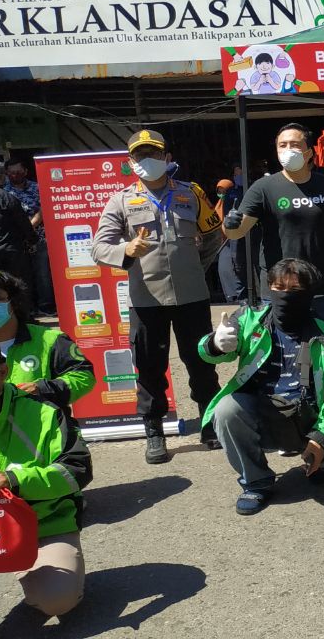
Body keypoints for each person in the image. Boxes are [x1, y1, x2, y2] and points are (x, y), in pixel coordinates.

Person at [91, 129, 226, 463]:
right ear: (130, 162)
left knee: (202, 361)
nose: (147, 160)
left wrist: (194, 267)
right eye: (140, 155)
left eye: (153, 154)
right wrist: (127, 249)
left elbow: (213, 235)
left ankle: (210, 425)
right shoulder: (120, 201)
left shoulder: (190, 194)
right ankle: (154, 432)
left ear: (167, 158)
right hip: (146, 299)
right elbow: (99, 248)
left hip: (192, 296)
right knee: (150, 368)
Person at [198, 259, 324, 516]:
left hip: (312, 415)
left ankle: (317, 462)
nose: (285, 295)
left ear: (309, 294)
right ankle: (256, 481)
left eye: (295, 290)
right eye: (278, 287)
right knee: (226, 409)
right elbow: (209, 354)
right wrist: (215, 344)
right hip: (262, 412)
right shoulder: (249, 320)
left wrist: (321, 438)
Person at [223, 123, 324, 328]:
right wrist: (229, 224)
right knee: (281, 347)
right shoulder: (263, 188)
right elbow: (236, 232)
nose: (288, 150)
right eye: (282, 145)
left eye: (295, 144)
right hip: (280, 291)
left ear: (309, 152)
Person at [0, 348, 93, 621]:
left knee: (57, 598)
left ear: (2, 372)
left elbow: (77, 470)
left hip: (42, 525)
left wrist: (15, 480)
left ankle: (29, 564)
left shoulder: (43, 411)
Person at [0, 272, 94, 413]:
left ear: (14, 303)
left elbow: (84, 376)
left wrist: (43, 389)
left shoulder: (50, 339)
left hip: (41, 425)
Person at [3, 160, 52, 315]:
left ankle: (46, 307)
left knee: (42, 273)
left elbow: (45, 208)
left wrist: (30, 226)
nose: (15, 175)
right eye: (12, 173)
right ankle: (26, 308)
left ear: (25, 171)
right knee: (21, 276)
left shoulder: (37, 188)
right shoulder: (4, 192)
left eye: (18, 172)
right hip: (16, 241)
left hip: (39, 238)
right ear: (6, 173)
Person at [0, 164, 34, 290]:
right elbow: (23, 223)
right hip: (11, 250)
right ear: (1, 177)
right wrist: (32, 240)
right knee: (17, 284)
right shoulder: (7, 198)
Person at [214, 178, 247, 303]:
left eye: (224, 191)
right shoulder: (218, 205)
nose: (221, 193)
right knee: (224, 269)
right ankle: (230, 296)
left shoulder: (235, 201)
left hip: (233, 238)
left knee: (235, 267)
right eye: (219, 191)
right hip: (222, 242)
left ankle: (238, 296)